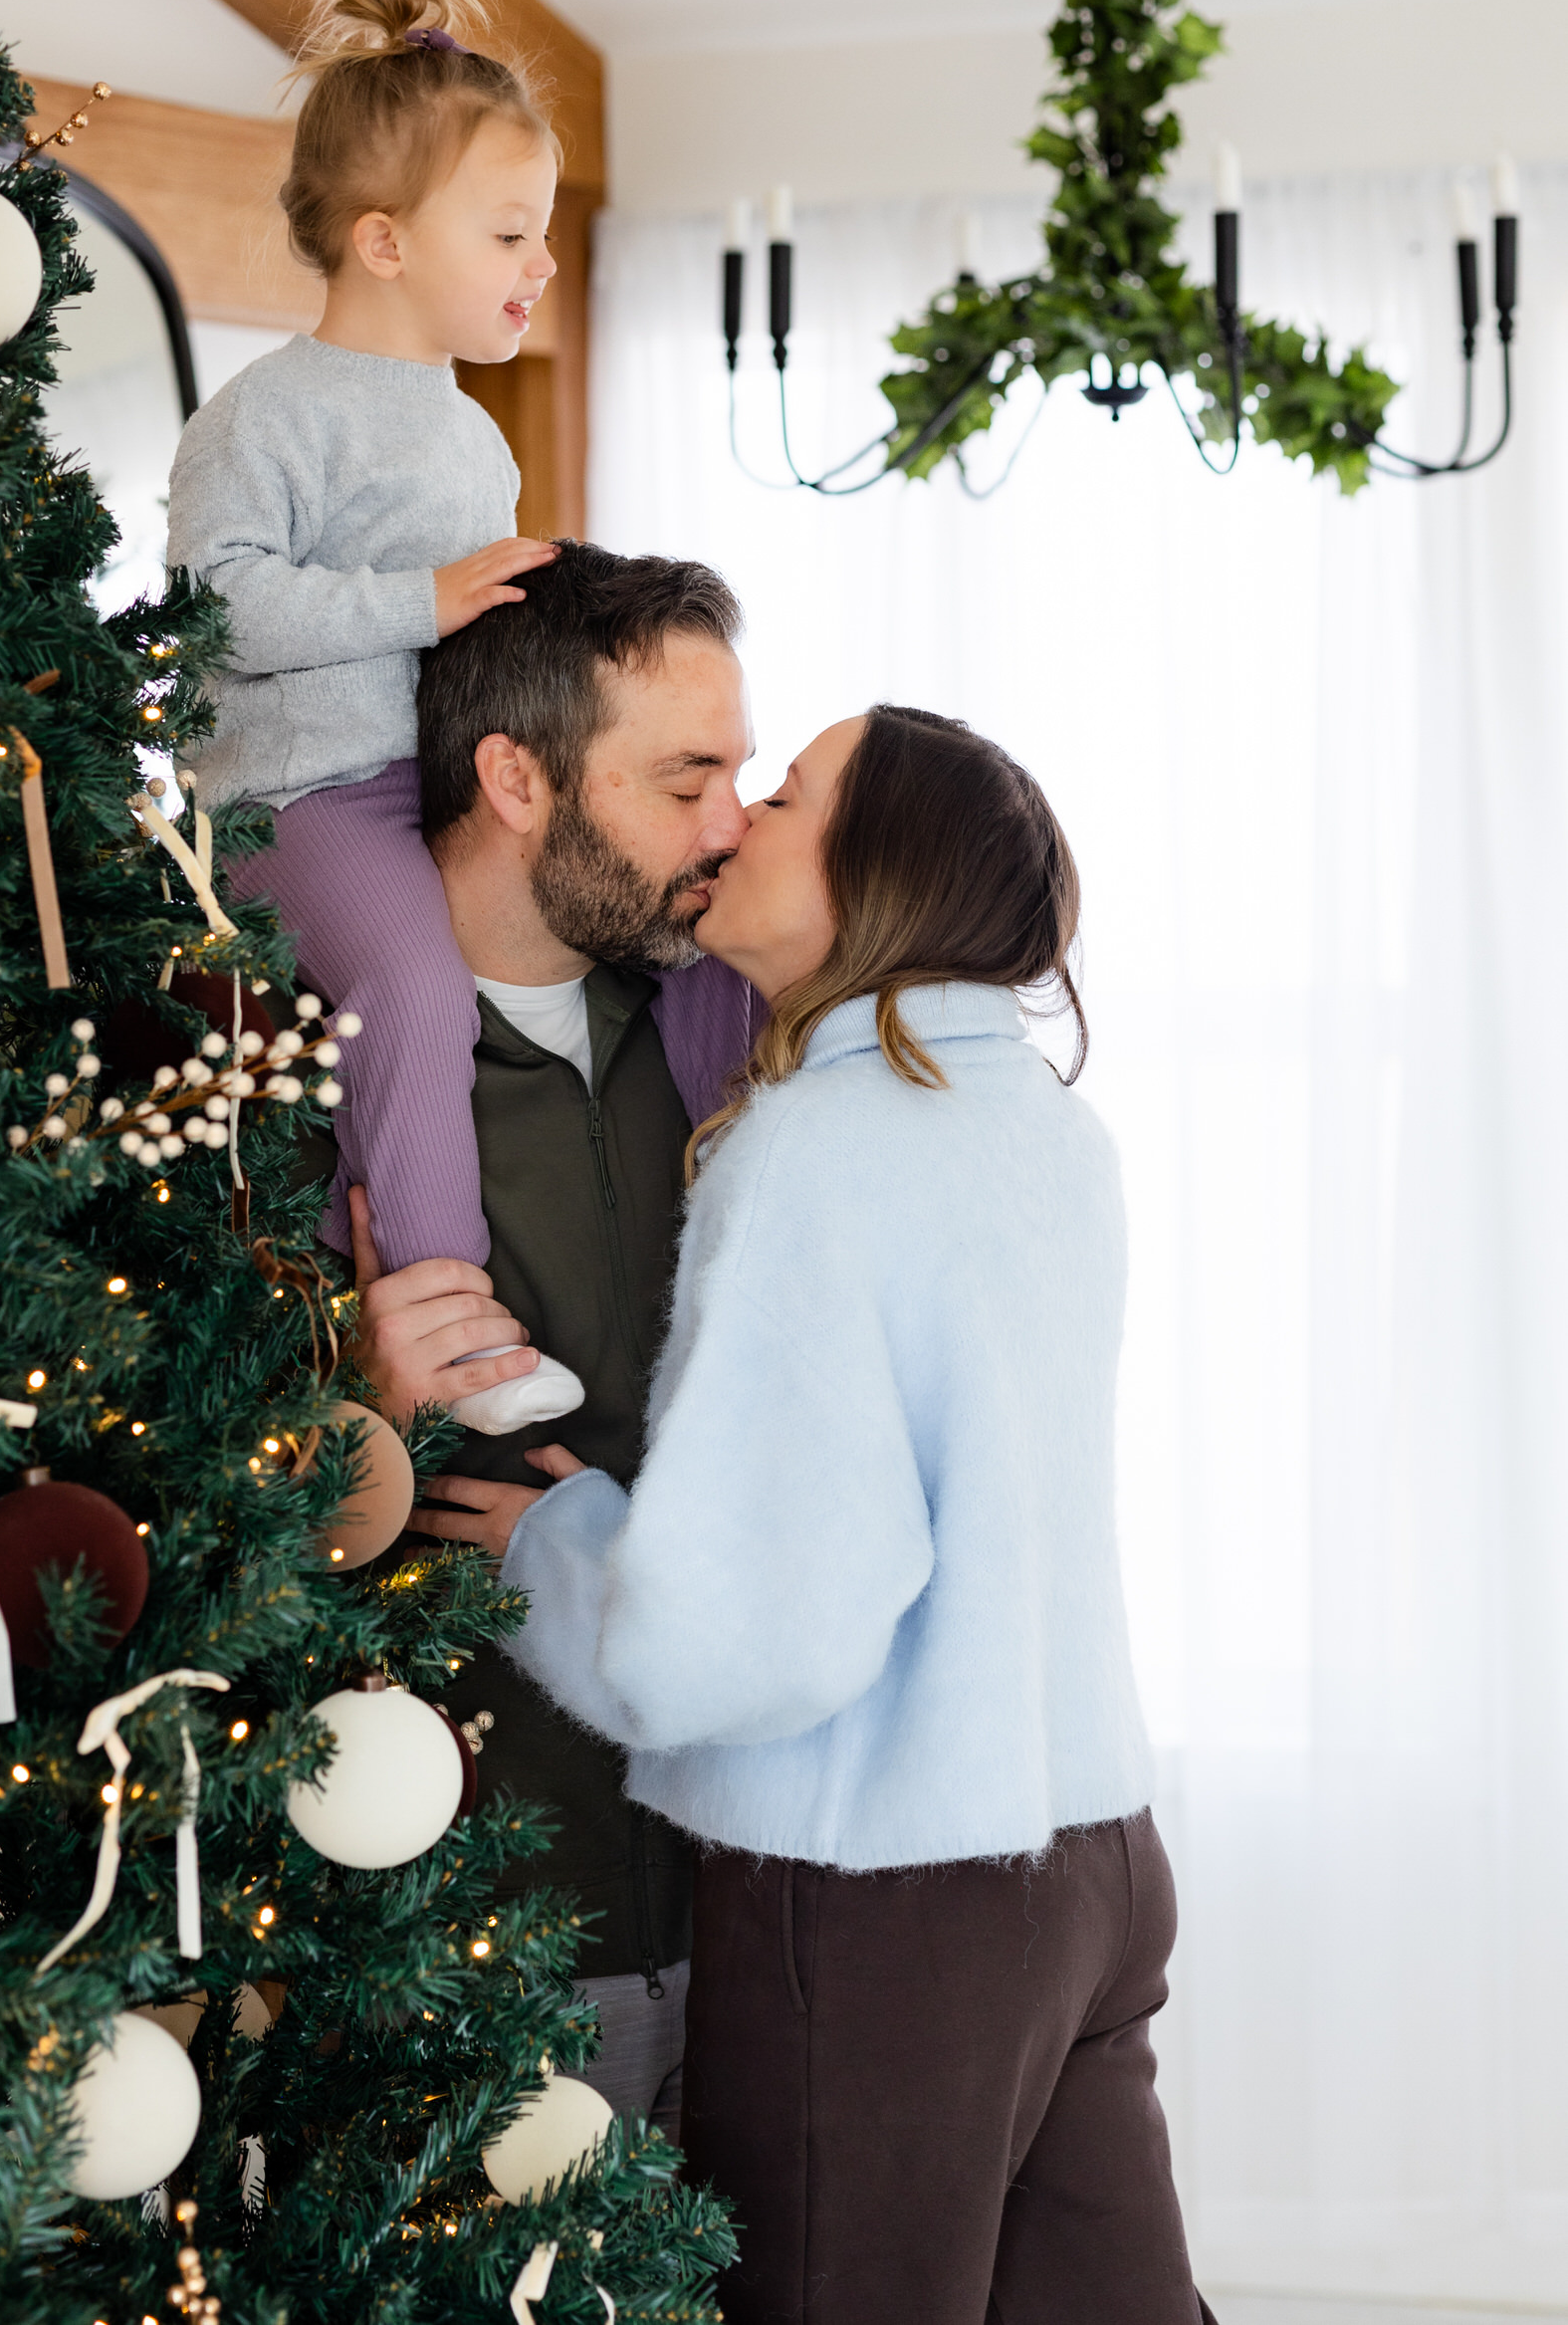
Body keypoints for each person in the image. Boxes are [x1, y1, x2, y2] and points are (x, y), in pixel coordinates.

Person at [474, 706, 1218, 2325]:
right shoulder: (1049, 1130)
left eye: (785, 796)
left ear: (874, 871)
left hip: (888, 1907)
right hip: (1094, 1858)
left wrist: (541, 1545)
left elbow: (742, 1642)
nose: (732, 823)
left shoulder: (821, 1146)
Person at [350, 542, 761, 2132]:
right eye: (684, 781)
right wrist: (352, 1414)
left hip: (747, 1898)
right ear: (516, 778)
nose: (730, 827)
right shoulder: (309, 1066)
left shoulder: (724, 1034)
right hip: (465, 1921)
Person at [166, 0, 577, 1409]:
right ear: (387, 242)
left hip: (431, 790)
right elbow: (214, 607)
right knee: (412, 993)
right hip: (303, 797)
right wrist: (430, 594)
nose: (543, 264)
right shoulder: (265, 417)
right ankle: (448, 1336)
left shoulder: (470, 430)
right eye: (512, 232)